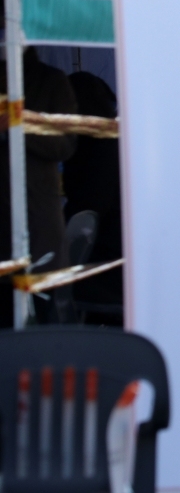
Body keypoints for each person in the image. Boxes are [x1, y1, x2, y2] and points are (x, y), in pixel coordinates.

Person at [0, 48, 78, 327]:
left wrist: (21, 125)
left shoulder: (50, 80)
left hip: (36, 218)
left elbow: (66, 145)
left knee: (38, 321)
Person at [62, 72, 123, 326]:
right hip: (118, 257)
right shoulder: (113, 138)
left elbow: (88, 208)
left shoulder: (93, 146)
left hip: (103, 266)